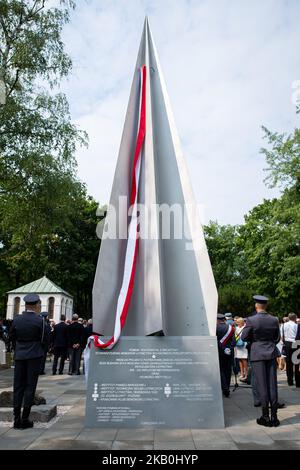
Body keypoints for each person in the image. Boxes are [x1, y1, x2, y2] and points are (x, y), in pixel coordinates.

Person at [9, 294, 50, 429]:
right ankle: (25, 419)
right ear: (37, 305)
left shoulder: (17, 319)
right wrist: (39, 351)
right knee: (29, 387)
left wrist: (18, 349)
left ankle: (16, 419)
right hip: (34, 355)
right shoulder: (40, 321)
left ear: (25, 305)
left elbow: (12, 337)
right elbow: (45, 340)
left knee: (18, 386)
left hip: (20, 355)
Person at [242, 295, 281, 427]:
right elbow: (277, 338)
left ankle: (265, 416)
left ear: (256, 306)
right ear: (266, 305)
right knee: (272, 385)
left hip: (257, 353)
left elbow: (244, 336)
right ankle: (274, 417)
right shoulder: (274, 320)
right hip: (271, 352)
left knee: (262, 385)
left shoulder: (251, 320)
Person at [216, 313, 235, 398]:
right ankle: (227, 386)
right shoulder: (231, 328)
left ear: (218, 320)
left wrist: (223, 348)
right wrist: (229, 349)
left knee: (221, 370)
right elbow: (234, 341)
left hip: (220, 351)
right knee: (228, 370)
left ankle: (225, 389)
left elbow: (216, 341)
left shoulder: (216, 328)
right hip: (229, 352)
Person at [282, 313, 299, 387]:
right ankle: (298, 381)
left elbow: (282, 336)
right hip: (295, 343)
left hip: (287, 343)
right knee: (296, 363)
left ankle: (290, 381)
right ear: (295, 318)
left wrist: (284, 342)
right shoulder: (296, 325)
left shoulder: (283, 325)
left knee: (288, 363)